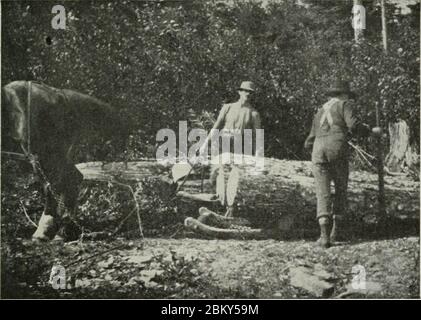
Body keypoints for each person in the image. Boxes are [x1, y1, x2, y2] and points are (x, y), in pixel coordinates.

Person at [304, 79, 372, 248]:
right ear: (344, 94)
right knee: (341, 188)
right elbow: (354, 125)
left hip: (318, 150)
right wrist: (370, 130)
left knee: (322, 191)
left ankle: (324, 236)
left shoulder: (319, 111)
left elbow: (308, 141)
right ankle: (336, 232)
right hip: (337, 147)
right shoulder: (344, 104)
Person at [199, 81, 262, 216]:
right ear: (239, 92)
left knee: (234, 177)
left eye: (250, 92)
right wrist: (205, 144)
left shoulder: (253, 114)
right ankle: (215, 207)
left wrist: (258, 156)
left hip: (241, 149)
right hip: (224, 145)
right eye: (245, 91)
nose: (248, 94)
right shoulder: (227, 107)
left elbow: (258, 138)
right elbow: (216, 127)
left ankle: (230, 210)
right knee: (218, 174)